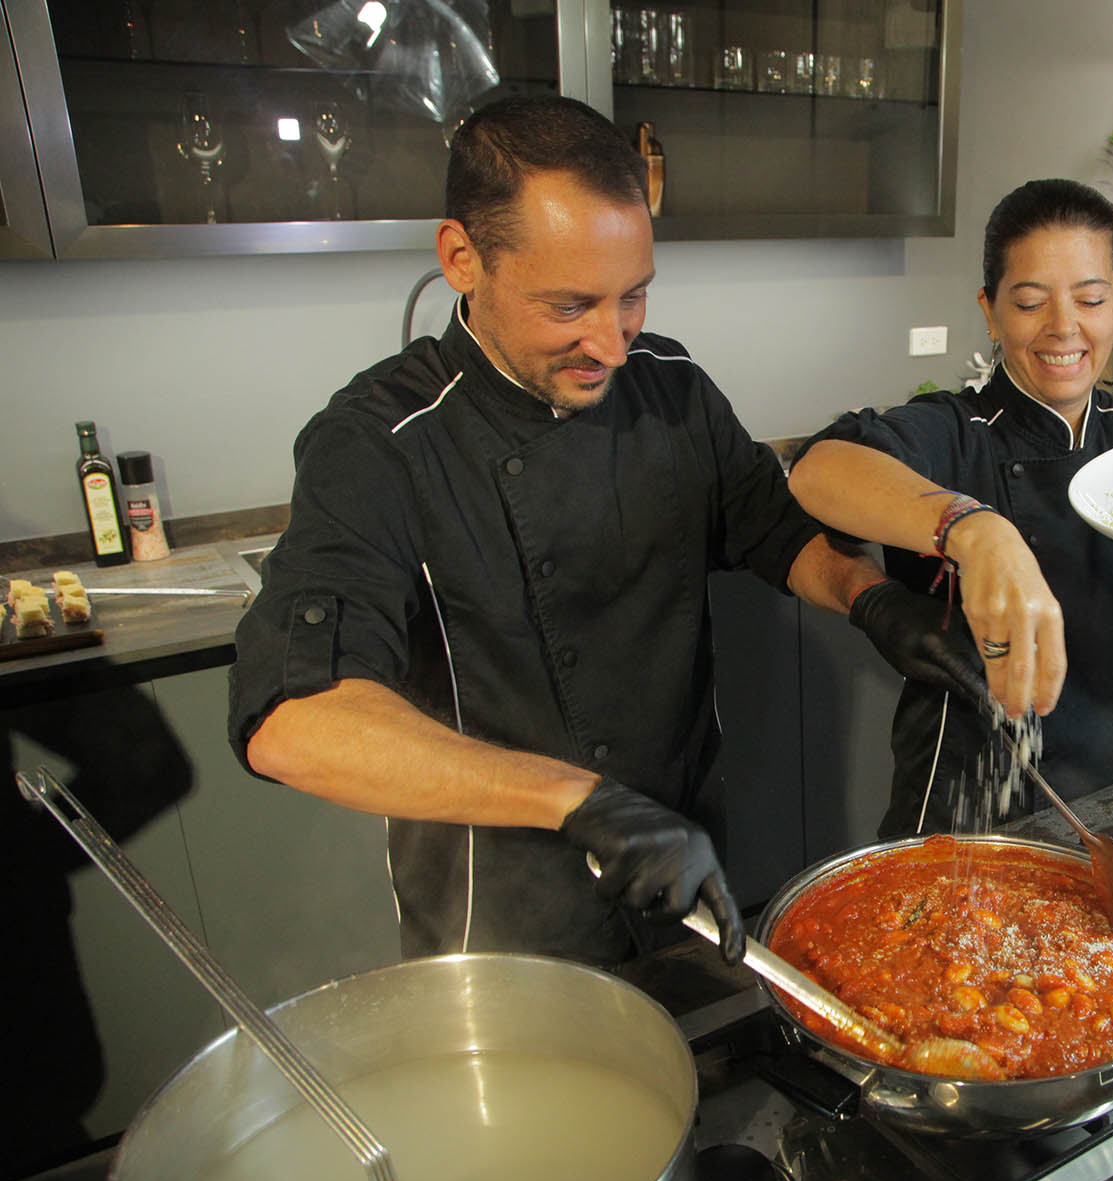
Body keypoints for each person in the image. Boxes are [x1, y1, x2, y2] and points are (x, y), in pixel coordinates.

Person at [227, 97, 974, 969]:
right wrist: (581, 801)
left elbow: (770, 530)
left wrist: (872, 599)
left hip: (683, 866)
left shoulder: (670, 386)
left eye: (634, 297)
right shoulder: (377, 445)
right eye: (570, 305)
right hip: (505, 922)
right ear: (462, 258)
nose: (612, 343)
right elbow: (293, 719)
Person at [788, 178, 1113, 836]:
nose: (1064, 327)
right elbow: (820, 469)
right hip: (962, 816)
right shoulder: (952, 433)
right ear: (991, 309)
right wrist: (977, 532)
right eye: (1030, 302)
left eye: (1090, 299)